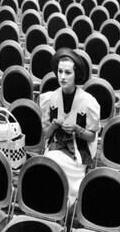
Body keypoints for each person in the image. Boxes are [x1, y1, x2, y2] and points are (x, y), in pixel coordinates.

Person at [40, 48, 100, 205]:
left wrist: (77, 129)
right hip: (55, 146)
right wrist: (53, 126)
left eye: (68, 73)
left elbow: (92, 136)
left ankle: (62, 204)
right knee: (50, 163)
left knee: (58, 166)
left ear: (76, 75)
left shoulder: (88, 102)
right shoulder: (50, 98)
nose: (62, 77)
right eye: (60, 72)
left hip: (78, 151)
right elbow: (45, 134)